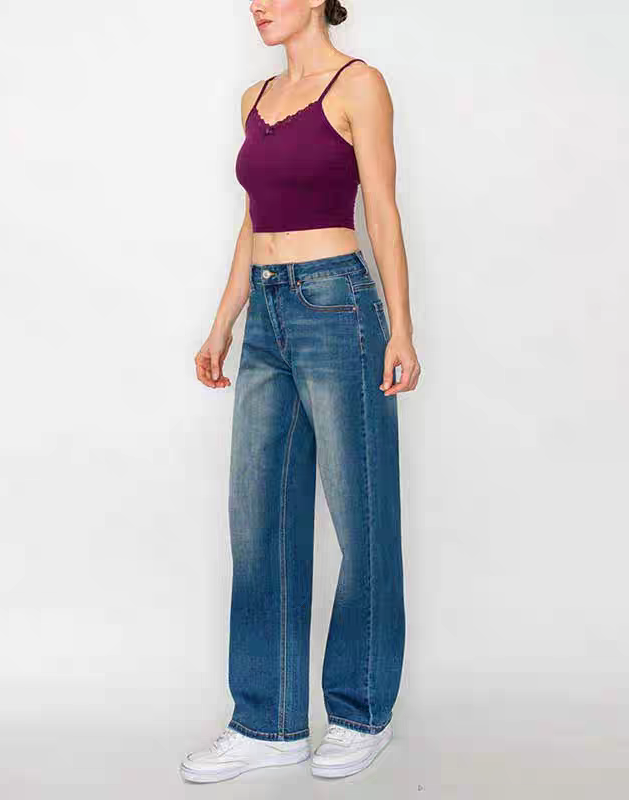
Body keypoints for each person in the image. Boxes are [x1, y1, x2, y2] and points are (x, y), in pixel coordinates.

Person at [181, 0, 421, 784]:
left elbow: (380, 208)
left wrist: (401, 328)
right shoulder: (254, 100)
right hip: (267, 313)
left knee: (362, 515)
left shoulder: (359, 85)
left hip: (337, 306)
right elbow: (254, 219)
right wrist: (223, 322)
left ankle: (361, 711)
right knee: (260, 521)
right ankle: (268, 721)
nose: (257, 4)